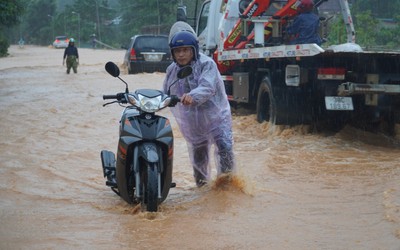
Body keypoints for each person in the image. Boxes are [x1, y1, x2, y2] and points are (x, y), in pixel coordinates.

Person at [163, 30, 235, 187]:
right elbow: (166, 92)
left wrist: (192, 96)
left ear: (193, 50)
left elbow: (207, 87)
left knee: (224, 147)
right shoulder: (172, 70)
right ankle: (201, 189)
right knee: (199, 154)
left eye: (185, 50)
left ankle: (227, 186)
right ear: (172, 53)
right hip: (193, 120)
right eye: (177, 51)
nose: (181, 55)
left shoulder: (206, 64)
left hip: (216, 116)